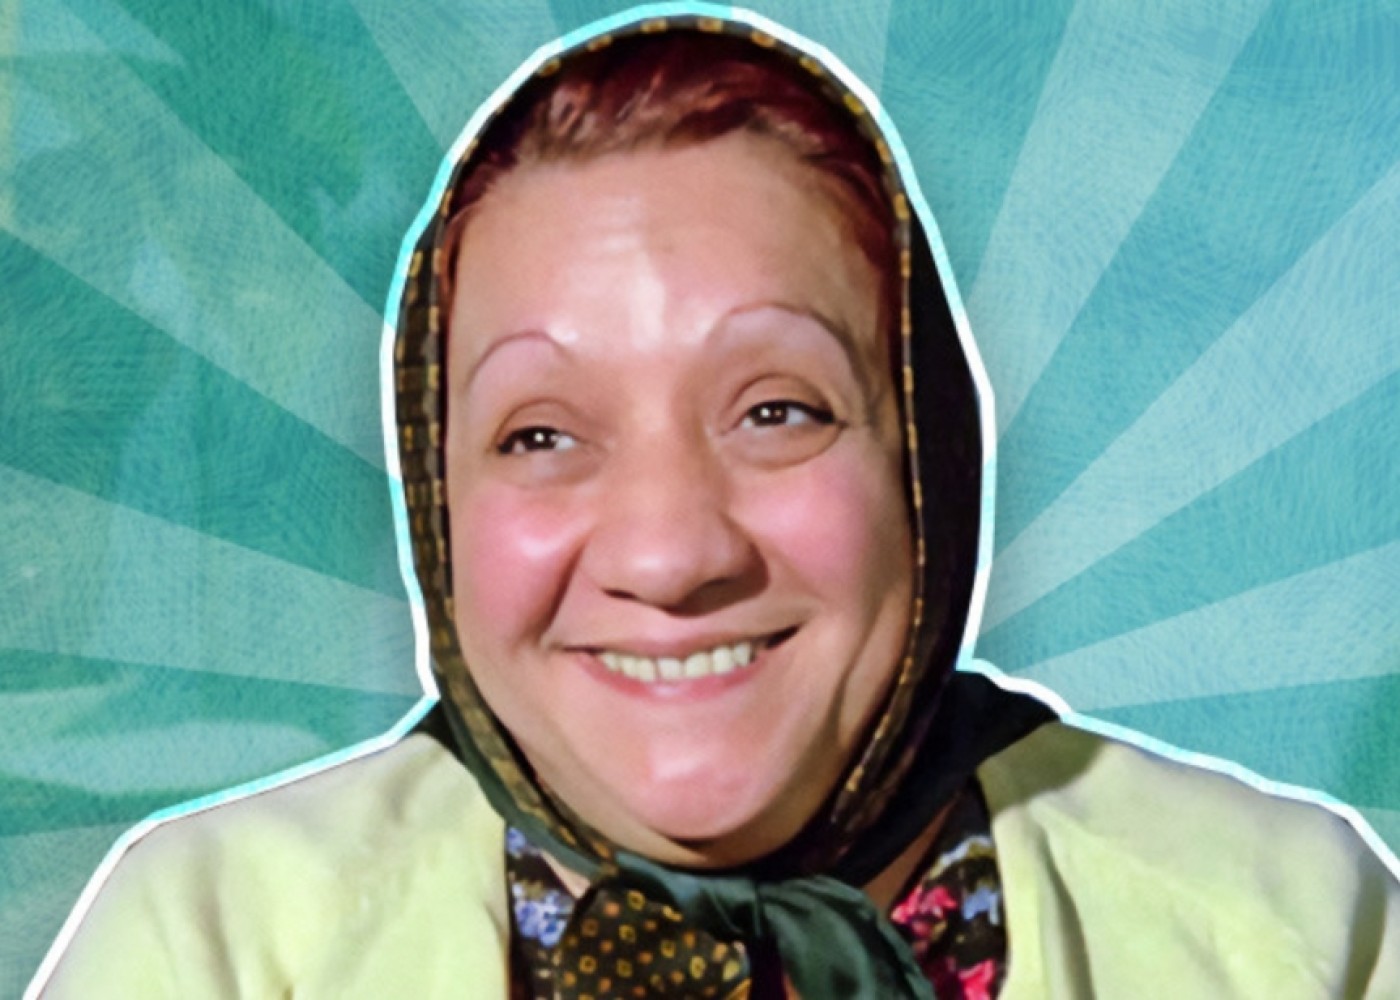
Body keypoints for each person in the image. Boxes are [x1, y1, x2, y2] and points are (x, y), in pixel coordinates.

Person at [35, 13, 1400, 999]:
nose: (671, 552)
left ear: (928, 461)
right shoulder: (212, 950)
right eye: (542, 433)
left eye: (777, 411)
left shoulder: (1295, 935)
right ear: (440, 513)